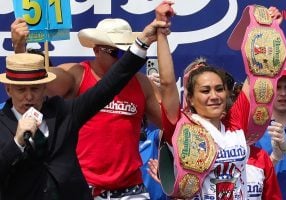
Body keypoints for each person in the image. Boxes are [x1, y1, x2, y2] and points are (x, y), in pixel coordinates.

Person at [10, 4, 173, 199]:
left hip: (130, 190)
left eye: (128, 51)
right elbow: (37, 81)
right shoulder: (76, 76)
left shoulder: (141, 83)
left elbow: (170, 123)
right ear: (96, 50)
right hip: (82, 189)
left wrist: (162, 38)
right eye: (117, 53)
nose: (124, 59)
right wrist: (20, 48)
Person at [154, 3, 282, 199]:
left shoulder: (235, 123)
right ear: (190, 98)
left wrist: (267, 29)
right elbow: (167, 82)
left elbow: (259, 72)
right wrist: (161, 32)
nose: (214, 96)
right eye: (205, 91)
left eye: (219, 89)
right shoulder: (180, 126)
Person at [256, 61, 286, 200]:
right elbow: (249, 177)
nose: (282, 93)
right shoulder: (255, 127)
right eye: (277, 86)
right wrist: (274, 159)